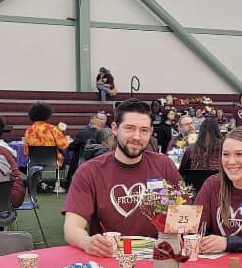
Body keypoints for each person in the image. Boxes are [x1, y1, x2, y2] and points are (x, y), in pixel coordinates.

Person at [63, 98, 182, 255]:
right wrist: (86, 241)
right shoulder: (89, 171)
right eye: (130, 128)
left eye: (144, 130)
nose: (137, 137)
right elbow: (72, 226)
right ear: (114, 128)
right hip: (109, 256)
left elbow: (182, 213)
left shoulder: (164, 165)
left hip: (157, 257)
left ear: (151, 132)